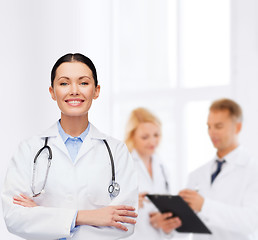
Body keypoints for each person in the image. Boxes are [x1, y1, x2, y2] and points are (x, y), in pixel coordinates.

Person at [1, 53, 138, 240]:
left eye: (83, 83)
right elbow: (14, 217)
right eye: (64, 83)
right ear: (52, 92)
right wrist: (86, 216)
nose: (74, 90)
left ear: (96, 90)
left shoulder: (117, 152)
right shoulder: (28, 149)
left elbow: (124, 222)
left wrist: (44, 216)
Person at [179, 98, 258, 240]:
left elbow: (251, 221)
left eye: (219, 126)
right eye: (209, 126)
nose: (212, 132)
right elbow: (186, 226)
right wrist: (171, 222)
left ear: (237, 127)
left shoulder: (253, 170)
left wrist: (204, 206)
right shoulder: (197, 174)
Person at [124, 107, 181, 240]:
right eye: (145, 137)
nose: (152, 142)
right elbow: (108, 210)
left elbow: (164, 209)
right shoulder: (122, 165)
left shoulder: (162, 167)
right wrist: (128, 202)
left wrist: (163, 222)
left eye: (156, 135)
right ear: (132, 136)